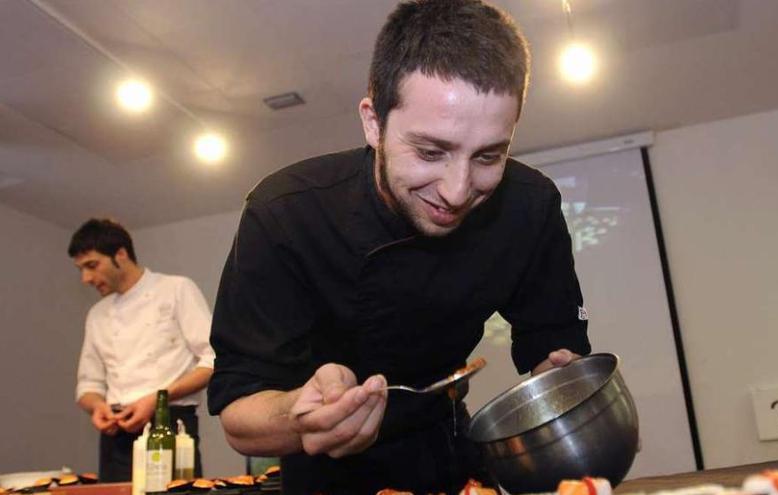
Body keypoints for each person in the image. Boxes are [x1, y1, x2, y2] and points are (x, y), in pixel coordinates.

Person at [208, 0, 591, 492]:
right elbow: (240, 412)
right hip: (326, 469)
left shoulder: (529, 208)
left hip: (449, 444)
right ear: (373, 122)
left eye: (489, 156)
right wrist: (300, 416)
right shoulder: (285, 214)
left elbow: (553, 346)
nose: (457, 191)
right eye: (431, 152)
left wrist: (573, 392)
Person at [69, 218, 215, 482]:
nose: (86, 278)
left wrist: (157, 399)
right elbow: (88, 384)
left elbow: (214, 360)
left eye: (92, 265)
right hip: (115, 434)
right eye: (81, 269)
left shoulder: (176, 289)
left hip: (169, 424)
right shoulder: (97, 314)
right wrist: (98, 407)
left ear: (121, 254)